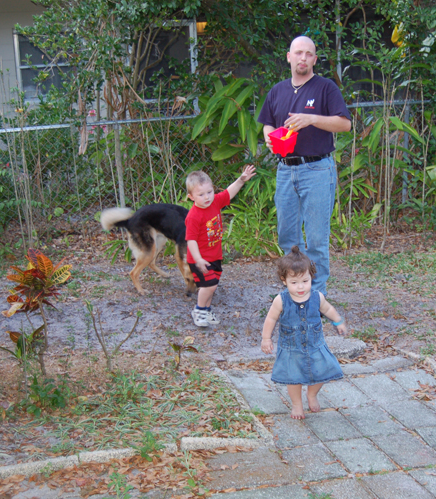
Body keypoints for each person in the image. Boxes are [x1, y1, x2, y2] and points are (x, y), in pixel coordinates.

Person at [257, 35, 351, 296]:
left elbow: (345, 124)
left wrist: (311, 119)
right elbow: (267, 122)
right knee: (287, 237)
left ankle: (316, 296)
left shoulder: (325, 88)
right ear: (289, 57)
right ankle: (296, 289)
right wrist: (268, 136)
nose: (303, 58)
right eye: (298, 53)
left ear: (315, 59)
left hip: (317, 169)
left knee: (317, 240)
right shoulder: (277, 91)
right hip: (286, 170)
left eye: (309, 54)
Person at [261, 246, 348, 419]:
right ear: (284, 280)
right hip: (291, 347)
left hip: (315, 344)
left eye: (305, 281)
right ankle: (296, 404)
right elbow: (271, 319)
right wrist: (266, 338)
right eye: (294, 283)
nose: (300, 287)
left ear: (311, 278)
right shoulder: (281, 300)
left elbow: (328, 309)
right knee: (293, 378)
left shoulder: (317, 297)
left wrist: (338, 321)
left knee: (325, 368)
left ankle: (312, 394)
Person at [185, 164, 256, 327]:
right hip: (200, 259)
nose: (207, 197)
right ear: (191, 197)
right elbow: (191, 240)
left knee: (212, 285)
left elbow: (229, 192)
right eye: (201, 194)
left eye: (209, 192)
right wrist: (198, 260)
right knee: (208, 285)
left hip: (215, 255)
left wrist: (241, 179)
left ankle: (207, 310)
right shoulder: (194, 216)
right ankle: (199, 310)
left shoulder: (215, 202)